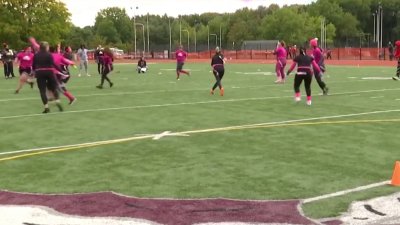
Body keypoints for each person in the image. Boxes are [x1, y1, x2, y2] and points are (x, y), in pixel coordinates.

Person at [32, 41, 63, 113]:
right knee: (54, 88)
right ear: (46, 47)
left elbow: (33, 65)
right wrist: (60, 70)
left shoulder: (36, 55)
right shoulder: (49, 54)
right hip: (49, 72)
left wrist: (33, 72)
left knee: (42, 91)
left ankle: (46, 108)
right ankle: (57, 102)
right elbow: (53, 64)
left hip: (39, 72)